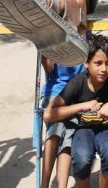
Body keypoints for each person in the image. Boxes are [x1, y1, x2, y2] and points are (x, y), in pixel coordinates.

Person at [43, 34, 108, 188]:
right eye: (98, 63)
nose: (104, 69)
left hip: (107, 128)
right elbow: (48, 114)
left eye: (107, 63)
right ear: (86, 63)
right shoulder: (78, 82)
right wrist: (82, 106)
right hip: (83, 128)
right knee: (81, 158)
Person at [40, 56, 86, 188]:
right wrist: (43, 47)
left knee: (69, 135)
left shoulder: (85, 38)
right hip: (55, 93)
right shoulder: (54, 37)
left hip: (76, 96)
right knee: (56, 128)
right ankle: (44, 184)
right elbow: (49, 69)